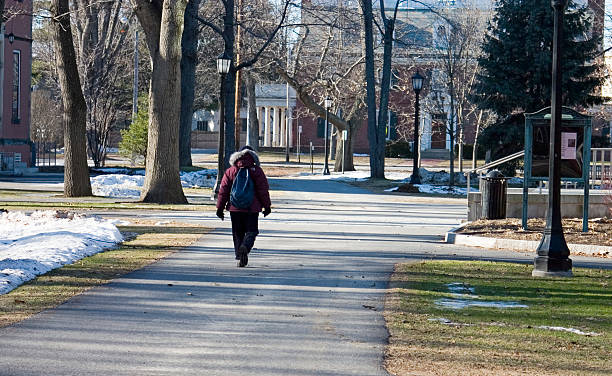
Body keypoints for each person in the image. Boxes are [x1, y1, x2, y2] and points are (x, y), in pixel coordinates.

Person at [216, 146, 271, 267]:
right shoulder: (257, 171)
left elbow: (223, 190)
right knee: (251, 231)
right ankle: (245, 247)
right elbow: (263, 190)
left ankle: (239, 255)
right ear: (253, 156)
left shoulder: (231, 171)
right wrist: (267, 206)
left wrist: (220, 208)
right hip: (252, 208)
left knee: (237, 232)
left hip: (235, 208)